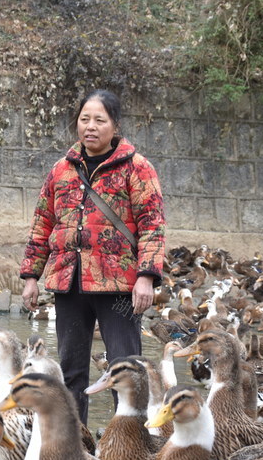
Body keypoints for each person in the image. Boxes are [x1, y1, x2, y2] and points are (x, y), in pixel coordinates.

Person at [19, 89, 167, 424]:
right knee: (71, 372)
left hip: (119, 287)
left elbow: (152, 225)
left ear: (114, 125)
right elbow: (43, 222)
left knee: (125, 373)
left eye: (100, 120)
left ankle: (128, 450)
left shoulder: (137, 168)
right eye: (85, 119)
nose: (90, 126)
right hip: (69, 284)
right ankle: (74, 447)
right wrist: (31, 275)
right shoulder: (61, 170)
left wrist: (146, 276)